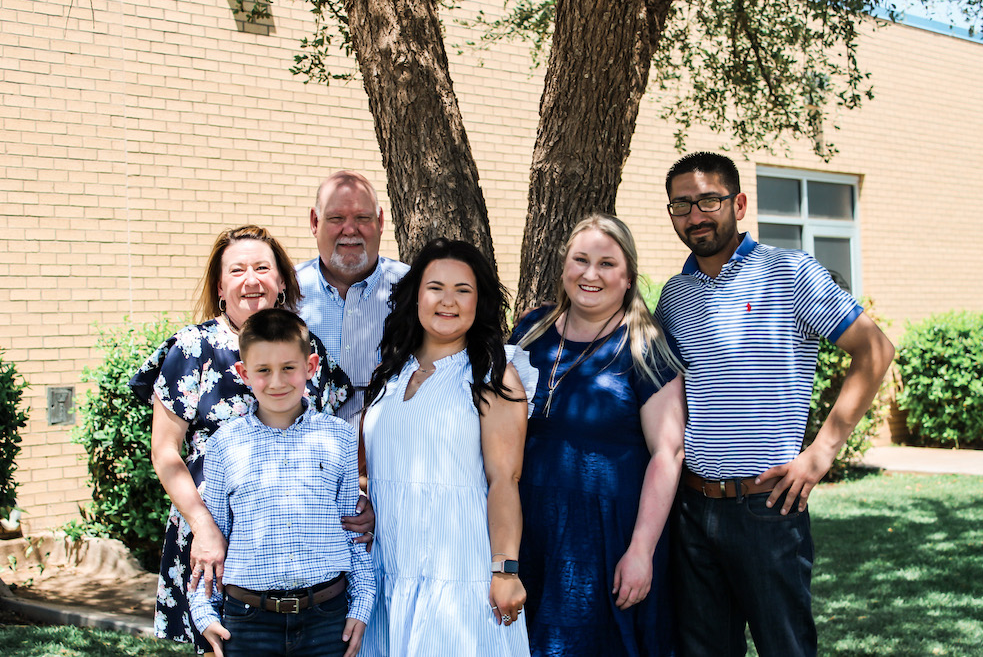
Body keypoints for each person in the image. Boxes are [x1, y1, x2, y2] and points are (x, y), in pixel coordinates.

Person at [655, 152, 895, 656]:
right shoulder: (674, 297)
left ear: (738, 203)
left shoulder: (790, 273)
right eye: (682, 205)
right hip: (692, 509)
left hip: (768, 507)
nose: (695, 215)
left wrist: (823, 451)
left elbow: (875, 352)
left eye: (709, 200)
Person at [130, 225, 352, 652]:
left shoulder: (310, 351)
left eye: (262, 268)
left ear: (282, 281)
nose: (251, 280)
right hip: (211, 536)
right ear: (220, 286)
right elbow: (165, 452)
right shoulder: (192, 348)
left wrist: (355, 501)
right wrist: (204, 527)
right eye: (237, 270)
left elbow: (332, 442)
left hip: (299, 552)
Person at [509, 214, 687, 657]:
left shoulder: (645, 343)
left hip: (609, 537)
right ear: (564, 265)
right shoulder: (530, 332)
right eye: (581, 260)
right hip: (530, 530)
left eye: (607, 264)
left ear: (628, 277)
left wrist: (641, 550)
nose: (591, 274)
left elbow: (669, 451)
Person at [358, 238, 537, 656]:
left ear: (480, 302)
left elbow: (505, 480)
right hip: (389, 572)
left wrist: (505, 570)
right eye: (436, 287)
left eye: (463, 290)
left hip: (459, 574)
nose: (448, 301)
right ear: (416, 294)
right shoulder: (390, 372)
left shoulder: (494, 377)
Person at [188, 309, 375, 657]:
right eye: (263, 370)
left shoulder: (340, 438)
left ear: (311, 367)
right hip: (247, 623)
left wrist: (361, 604)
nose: (277, 382)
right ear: (244, 373)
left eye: (289, 368)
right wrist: (202, 611)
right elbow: (213, 540)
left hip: (326, 619)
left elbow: (353, 533)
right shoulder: (224, 445)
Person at [297, 171, 408, 428]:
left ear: (380, 221)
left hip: (393, 453)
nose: (350, 229)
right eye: (336, 218)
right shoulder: (286, 293)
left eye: (362, 218)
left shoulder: (415, 290)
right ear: (315, 222)